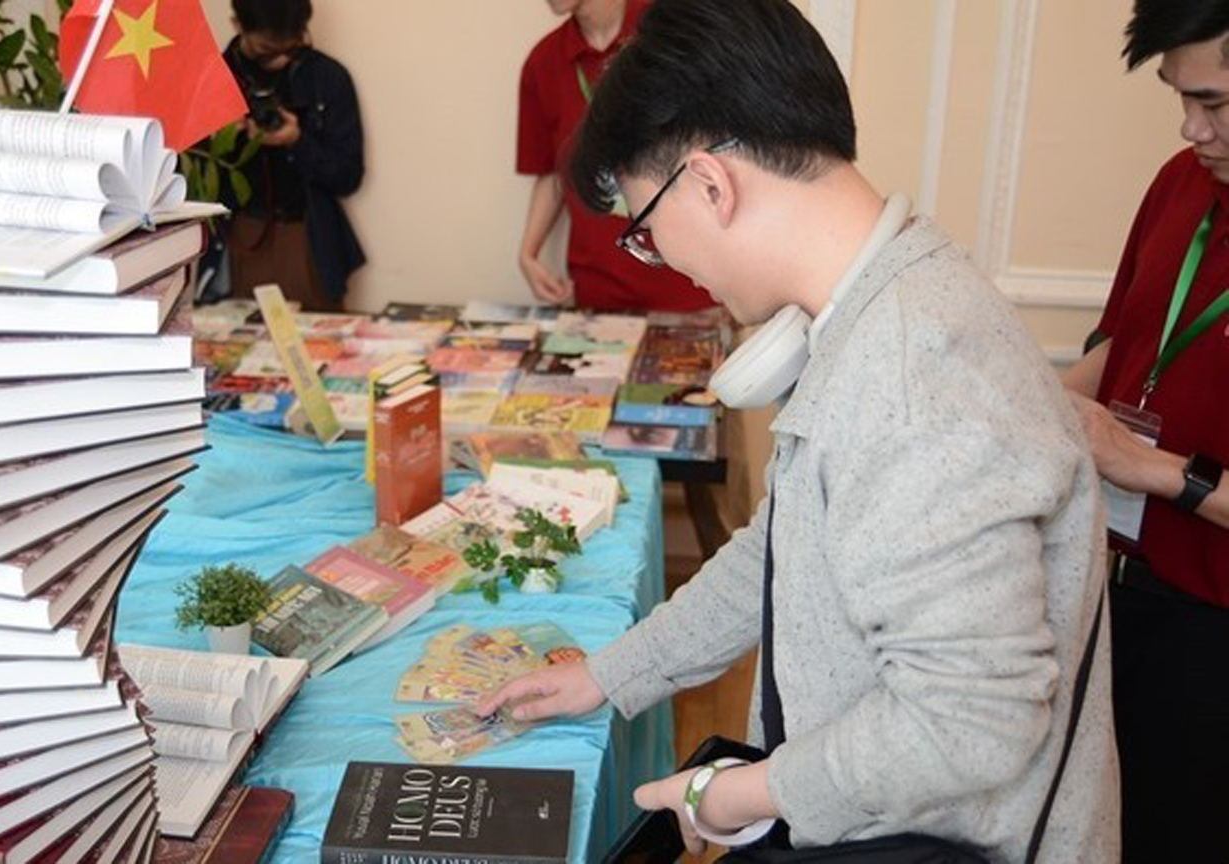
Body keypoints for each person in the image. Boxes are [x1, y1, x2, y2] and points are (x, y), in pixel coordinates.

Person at [478, 0, 1119, 859]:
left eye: (647, 230)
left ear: (710, 183)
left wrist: (739, 791)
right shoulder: (872, 307)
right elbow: (782, 549)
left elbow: (972, 719)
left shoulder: (910, 372)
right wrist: (610, 675)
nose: (665, 259)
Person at [1059, 3, 1229, 861]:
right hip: (1118, 583)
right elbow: (1119, 346)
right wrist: (1034, 405)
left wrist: (1157, 469)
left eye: (1216, 103)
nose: (1191, 128)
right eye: (1178, 97)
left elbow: (1149, 458)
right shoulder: (1180, 181)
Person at [517, 0, 714, 312]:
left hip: (689, 282)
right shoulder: (543, 62)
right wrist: (528, 254)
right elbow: (552, 171)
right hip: (598, 290)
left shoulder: (673, 31)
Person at [218, 0, 364, 311]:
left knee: (322, 347)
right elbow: (186, 177)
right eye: (267, 49)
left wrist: (298, 141)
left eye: (292, 47)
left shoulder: (327, 77)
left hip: (309, 236)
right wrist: (225, 137)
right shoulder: (216, 78)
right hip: (241, 235)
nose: (281, 59)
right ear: (238, 25)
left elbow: (349, 176)